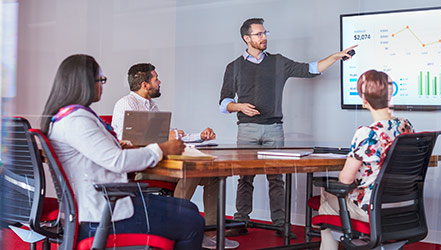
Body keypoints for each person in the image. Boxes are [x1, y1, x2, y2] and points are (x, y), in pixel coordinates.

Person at [40, 54, 204, 250]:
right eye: (101, 80)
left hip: (98, 206)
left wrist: (118, 146)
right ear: (84, 83)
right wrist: (162, 148)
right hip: (101, 214)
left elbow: (101, 154)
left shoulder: (66, 116)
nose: (102, 85)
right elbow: (117, 162)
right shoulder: (76, 120)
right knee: (192, 222)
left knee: (189, 209)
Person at [219, 18, 357, 238]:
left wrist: (333, 57)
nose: (264, 37)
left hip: (274, 129)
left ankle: (280, 224)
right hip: (247, 129)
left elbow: (310, 69)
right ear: (247, 38)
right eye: (259, 34)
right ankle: (240, 220)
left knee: (276, 177)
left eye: (265, 33)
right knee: (245, 177)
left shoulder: (278, 62)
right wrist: (239, 107)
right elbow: (224, 103)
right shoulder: (233, 66)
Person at [112, 63, 238, 249]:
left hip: (161, 163)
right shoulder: (126, 104)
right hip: (144, 167)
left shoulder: (151, 106)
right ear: (145, 84)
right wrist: (163, 138)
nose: (159, 81)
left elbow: (170, 135)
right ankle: (177, 227)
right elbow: (125, 140)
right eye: (156, 78)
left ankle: (210, 235)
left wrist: (199, 136)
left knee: (213, 175)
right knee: (191, 171)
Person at [318, 70, 414, 250]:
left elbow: (345, 179)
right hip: (403, 206)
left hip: (372, 209)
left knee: (325, 204)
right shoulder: (406, 125)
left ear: (364, 101)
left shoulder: (367, 133)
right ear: (390, 95)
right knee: (331, 195)